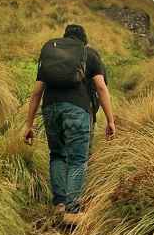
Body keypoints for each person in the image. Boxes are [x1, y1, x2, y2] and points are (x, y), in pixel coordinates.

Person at [23, 24, 115, 224]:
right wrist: (110, 120)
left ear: (64, 38)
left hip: (50, 109)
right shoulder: (88, 54)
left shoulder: (51, 55)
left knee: (57, 155)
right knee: (77, 159)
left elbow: (37, 91)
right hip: (77, 110)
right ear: (84, 41)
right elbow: (100, 87)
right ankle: (72, 211)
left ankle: (59, 205)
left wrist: (28, 124)